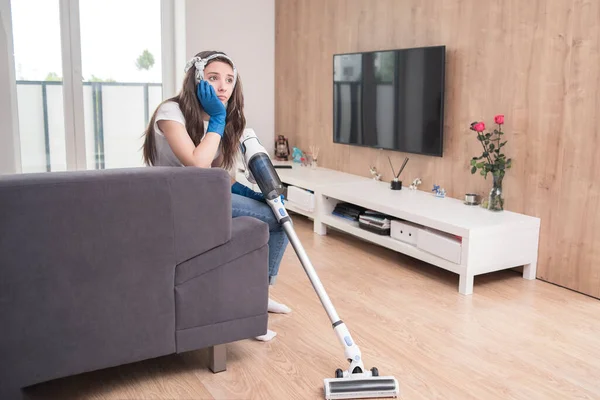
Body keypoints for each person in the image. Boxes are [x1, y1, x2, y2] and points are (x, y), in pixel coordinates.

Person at [142, 50, 290, 341]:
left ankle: (259, 294)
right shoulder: (170, 113)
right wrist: (218, 119)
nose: (223, 87)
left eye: (229, 80)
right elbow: (198, 164)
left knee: (280, 214)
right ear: (197, 81)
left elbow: (222, 175)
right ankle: (246, 304)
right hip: (175, 202)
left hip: (207, 196)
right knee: (274, 217)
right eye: (213, 78)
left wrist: (254, 195)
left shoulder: (227, 119)